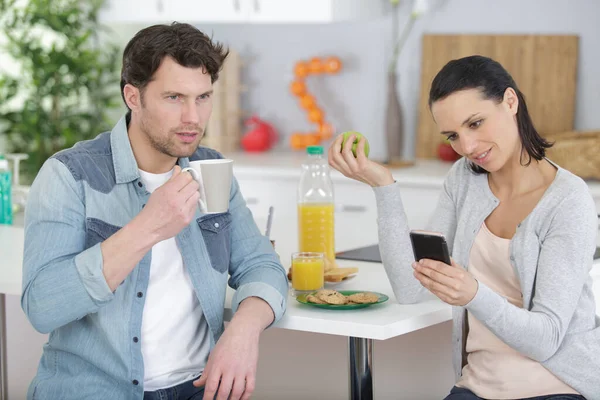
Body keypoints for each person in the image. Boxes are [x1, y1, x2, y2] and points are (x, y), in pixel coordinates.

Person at [21, 22, 288, 400]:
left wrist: (243, 331)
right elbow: (42, 306)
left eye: (203, 97)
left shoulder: (210, 169)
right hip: (97, 391)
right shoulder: (71, 174)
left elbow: (263, 265)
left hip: (199, 388)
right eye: (174, 98)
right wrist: (147, 227)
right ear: (133, 96)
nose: (193, 118)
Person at [328, 55, 599, 400]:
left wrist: (474, 295)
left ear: (510, 102)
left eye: (476, 123)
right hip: (478, 385)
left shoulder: (567, 200)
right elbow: (411, 290)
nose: (467, 148)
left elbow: (546, 339)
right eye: (453, 135)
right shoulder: (463, 179)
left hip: (558, 386)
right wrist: (383, 186)